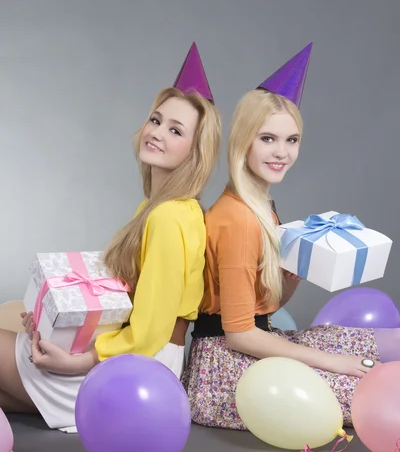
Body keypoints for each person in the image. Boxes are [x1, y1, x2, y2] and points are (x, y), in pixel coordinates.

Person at [0, 43, 222, 432]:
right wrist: (55, 324)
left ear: (195, 151)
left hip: (134, 368)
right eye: (156, 120)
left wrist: (81, 361)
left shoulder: (169, 217)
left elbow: (150, 328)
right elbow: (121, 301)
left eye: (175, 130)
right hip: (129, 354)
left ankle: (73, 398)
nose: (156, 133)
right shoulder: (159, 208)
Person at [182, 43, 399, 429]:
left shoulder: (261, 207)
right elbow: (240, 335)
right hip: (226, 369)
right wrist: (337, 364)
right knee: (376, 389)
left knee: (378, 341)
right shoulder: (237, 219)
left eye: (291, 140)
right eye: (267, 139)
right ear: (242, 141)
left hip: (265, 342)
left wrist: (289, 278)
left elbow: (261, 308)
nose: (282, 152)